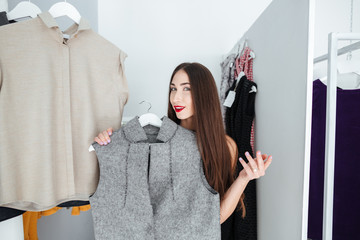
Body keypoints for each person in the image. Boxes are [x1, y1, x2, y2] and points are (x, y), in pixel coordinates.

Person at [94, 62, 272, 224]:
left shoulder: (225, 147)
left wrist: (243, 178)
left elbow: (214, 217)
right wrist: (110, 145)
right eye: (173, 89)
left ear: (204, 95)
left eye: (186, 89)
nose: (176, 98)